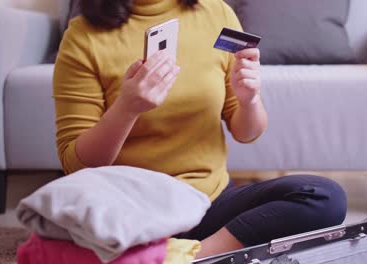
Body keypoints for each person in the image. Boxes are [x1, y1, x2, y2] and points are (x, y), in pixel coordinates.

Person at [53, 0, 347, 258]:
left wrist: (249, 100)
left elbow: (247, 132)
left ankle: (189, 257)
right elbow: (76, 165)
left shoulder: (216, 12)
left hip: (208, 205)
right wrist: (127, 108)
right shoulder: (82, 36)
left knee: (324, 197)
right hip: (131, 213)